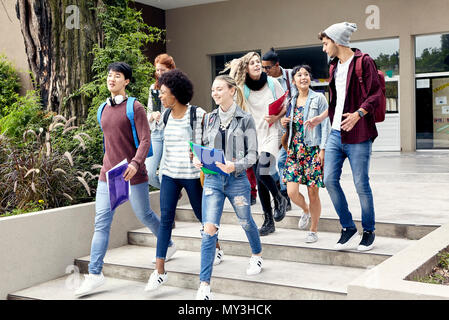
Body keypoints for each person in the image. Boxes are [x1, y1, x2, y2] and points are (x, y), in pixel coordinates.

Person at [74, 62, 176, 297]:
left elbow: (145, 140)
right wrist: (107, 165)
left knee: (144, 214)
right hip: (108, 176)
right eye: (110, 75)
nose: (111, 79)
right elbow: (109, 143)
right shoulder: (102, 108)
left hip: (133, 173)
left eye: (117, 76)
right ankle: (95, 274)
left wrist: (135, 163)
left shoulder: (135, 107)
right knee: (101, 223)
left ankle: (167, 242)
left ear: (126, 81)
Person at [144, 69, 222, 292]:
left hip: (191, 176)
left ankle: (217, 246)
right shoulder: (165, 116)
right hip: (169, 174)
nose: (160, 96)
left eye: (164, 93)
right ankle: (160, 271)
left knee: (202, 216)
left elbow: (213, 141)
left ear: (175, 94)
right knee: (166, 219)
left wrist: (201, 154)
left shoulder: (197, 115)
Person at [307, 22, 382, 251]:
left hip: (358, 134)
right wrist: (322, 118)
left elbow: (376, 94)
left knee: (361, 184)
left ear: (337, 41)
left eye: (325, 43)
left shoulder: (363, 62)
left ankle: (368, 231)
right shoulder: (333, 67)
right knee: (329, 180)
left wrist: (359, 114)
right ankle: (348, 227)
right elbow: (336, 102)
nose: (323, 48)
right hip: (335, 134)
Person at [193, 75, 262, 300]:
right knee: (209, 229)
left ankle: (256, 254)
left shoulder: (245, 119)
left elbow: (253, 154)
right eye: (213, 90)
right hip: (212, 179)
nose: (215, 93)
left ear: (232, 91)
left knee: (245, 221)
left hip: (237, 180)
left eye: (219, 89)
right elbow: (203, 145)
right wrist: (198, 159)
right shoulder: (210, 118)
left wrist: (236, 165)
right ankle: (204, 285)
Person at [227, 52, 288, 236]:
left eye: (257, 62)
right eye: (252, 63)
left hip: (272, 132)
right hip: (253, 136)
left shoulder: (272, 83)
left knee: (263, 169)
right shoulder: (242, 87)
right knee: (260, 179)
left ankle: (279, 198)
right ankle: (269, 221)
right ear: (246, 68)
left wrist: (276, 116)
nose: (256, 65)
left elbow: (285, 105)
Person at [281, 65, 330, 243]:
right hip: (294, 151)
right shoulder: (291, 100)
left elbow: (326, 125)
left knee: (313, 192)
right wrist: (283, 121)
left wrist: (323, 150)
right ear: (293, 80)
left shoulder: (319, 99)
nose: (303, 77)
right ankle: (305, 210)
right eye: (299, 75)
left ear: (310, 78)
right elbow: (289, 126)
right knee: (292, 191)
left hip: (313, 150)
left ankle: (313, 230)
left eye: (306, 74)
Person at [262, 48, 295, 211]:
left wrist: (282, 116)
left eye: (267, 68)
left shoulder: (291, 76)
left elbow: (293, 101)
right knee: (270, 163)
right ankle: (284, 194)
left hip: (292, 127)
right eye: (263, 68)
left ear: (277, 65)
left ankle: (285, 195)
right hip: (274, 127)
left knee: (282, 161)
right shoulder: (265, 81)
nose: (265, 71)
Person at [145, 54, 176, 189]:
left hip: (171, 134)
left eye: (162, 70)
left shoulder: (178, 86)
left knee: (164, 174)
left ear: (170, 69)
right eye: (157, 70)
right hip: (156, 133)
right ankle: (171, 193)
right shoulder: (154, 88)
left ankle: (169, 198)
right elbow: (148, 113)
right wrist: (152, 115)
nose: (159, 73)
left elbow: (183, 110)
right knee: (149, 173)